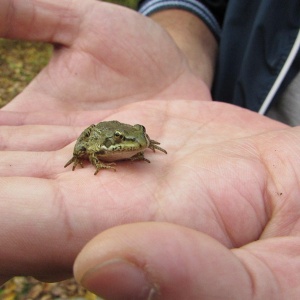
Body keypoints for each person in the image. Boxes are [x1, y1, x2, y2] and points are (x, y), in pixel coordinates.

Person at [0, 0, 299, 299]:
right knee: (81, 149)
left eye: (142, 138)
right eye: (133, 142)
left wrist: (141, 142)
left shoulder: (135, 141)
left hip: (236, 126)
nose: (139, 145)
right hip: (116, 130)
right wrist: (180, 51)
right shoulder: (103, 147)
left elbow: (136, 138)